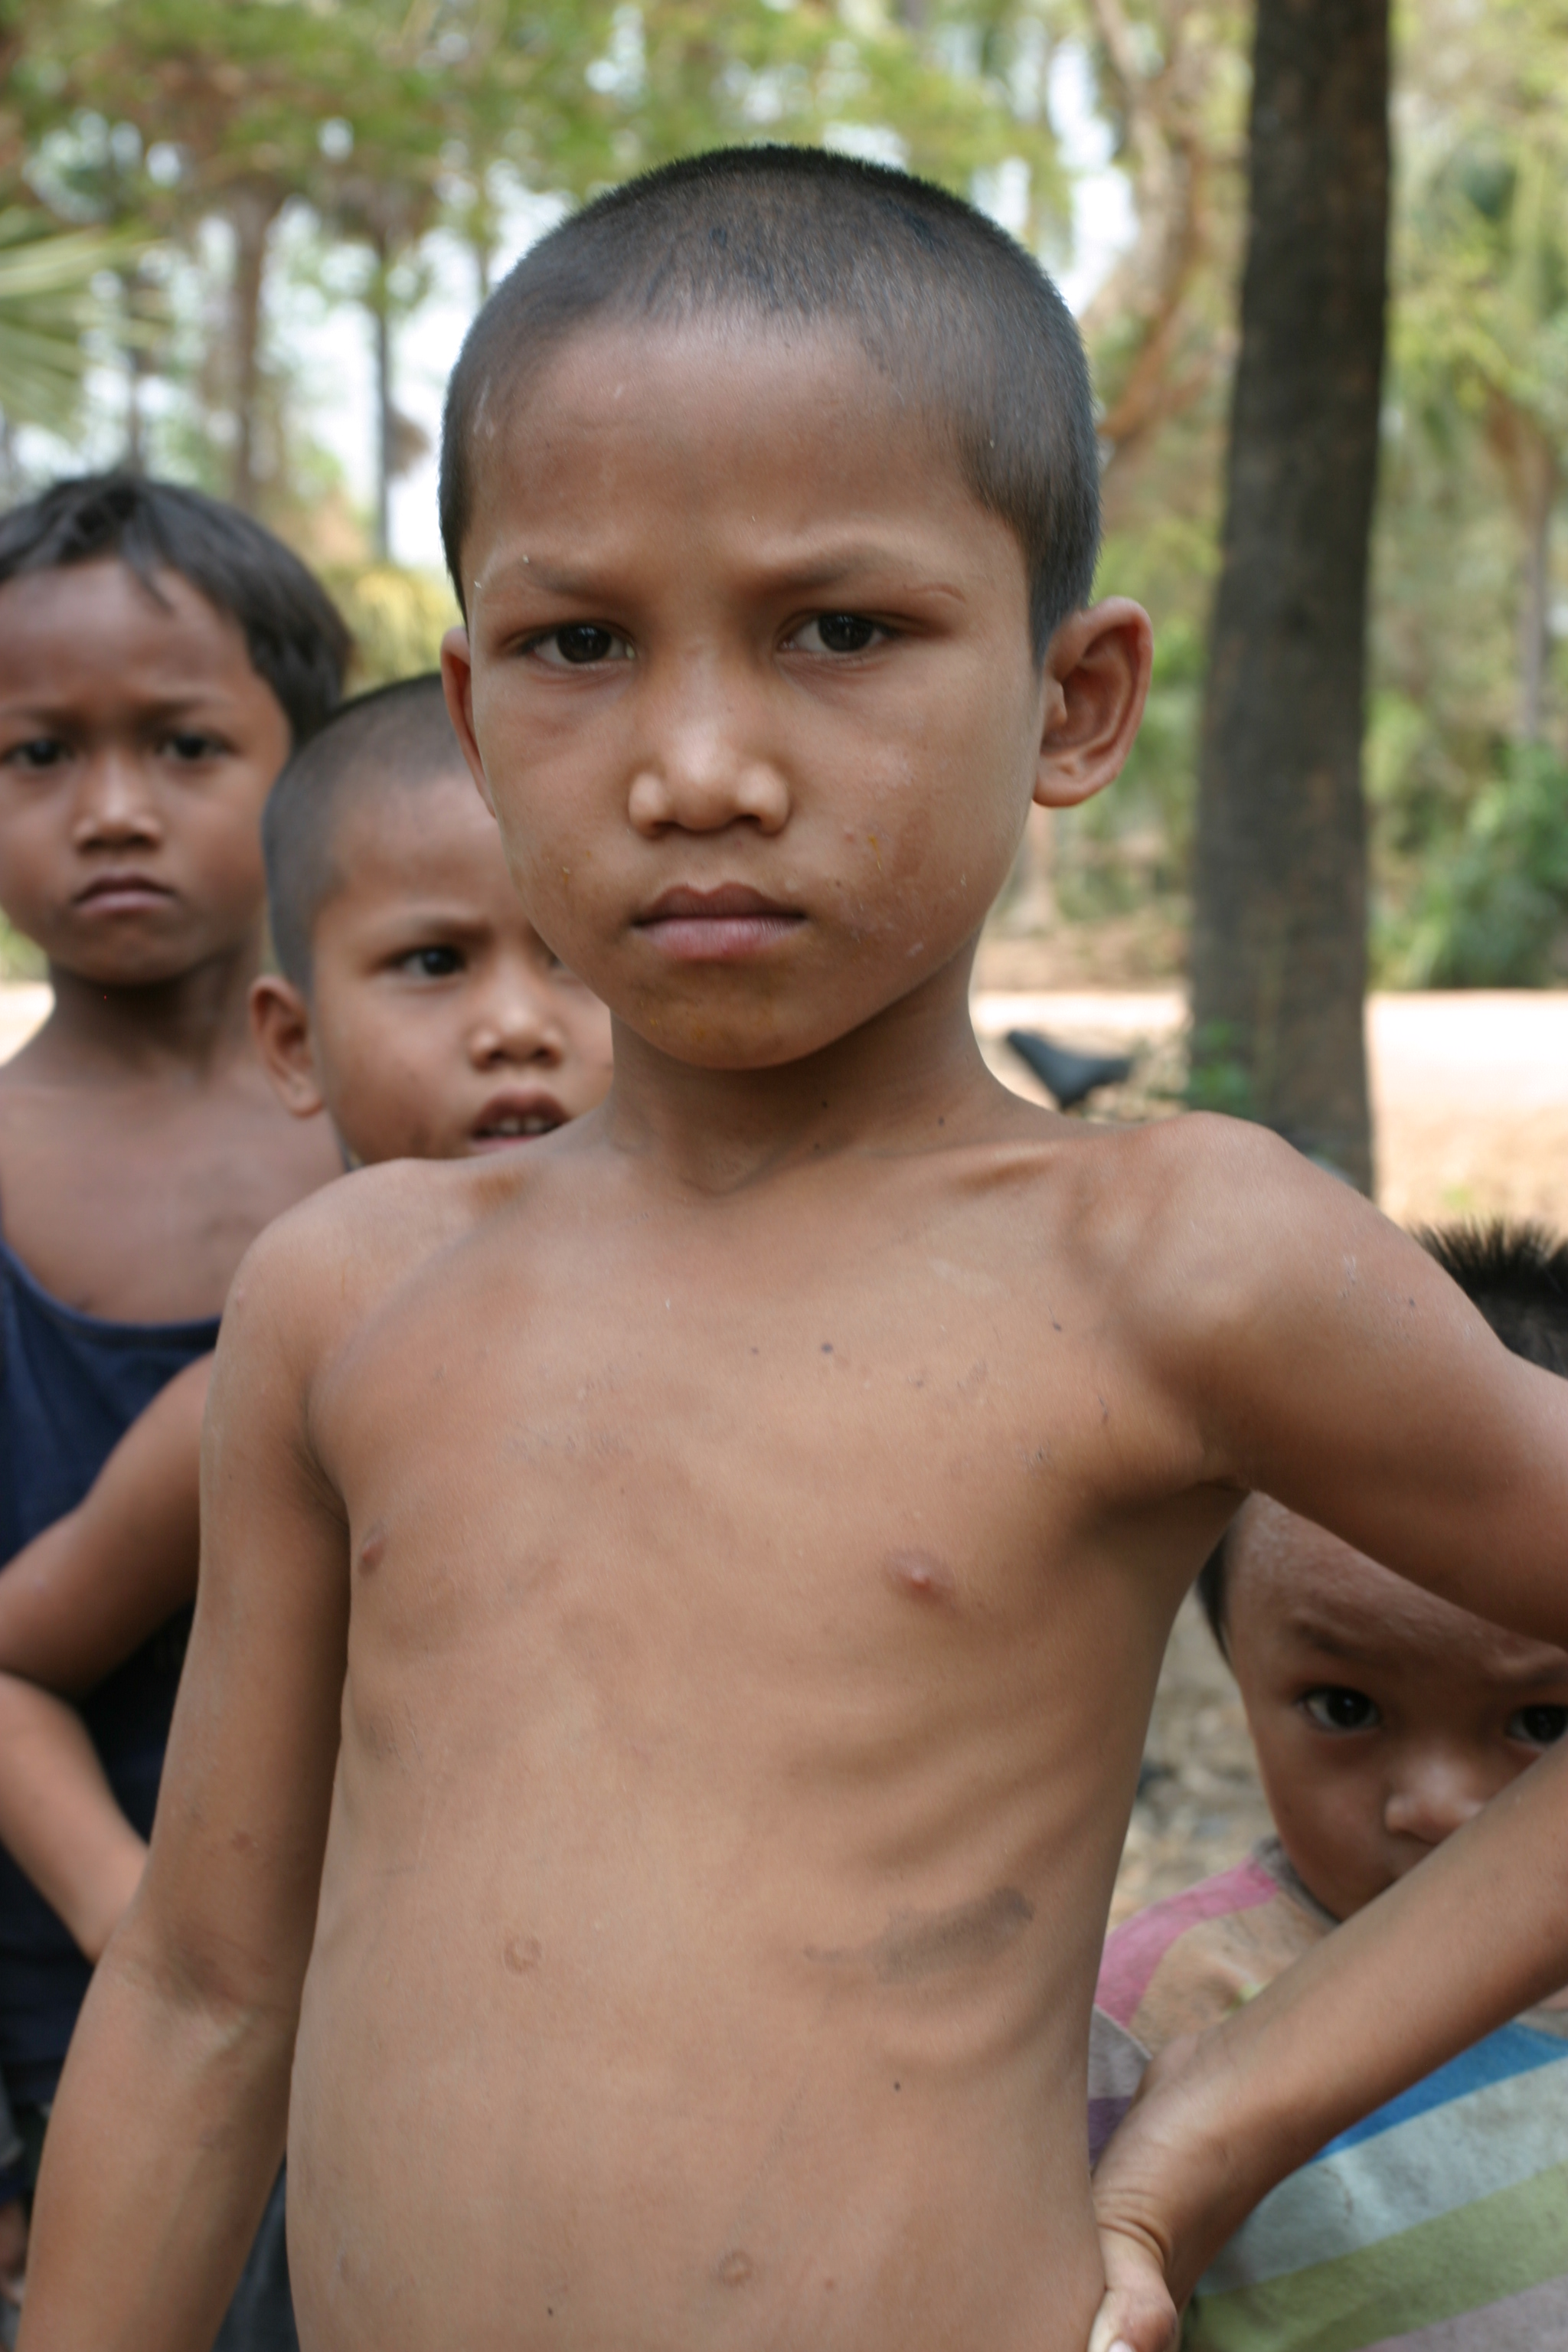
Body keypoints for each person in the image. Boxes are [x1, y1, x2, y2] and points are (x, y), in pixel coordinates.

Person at [18, 150, 1568, 2352]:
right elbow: (200, 1993)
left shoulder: (1166, 1261)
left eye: (840, 629)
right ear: (471, 715)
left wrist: (1214, 2126)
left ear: (1072, 702)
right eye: (578, 645)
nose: (700, 765)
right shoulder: (353, 1299)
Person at [0, 472, 350, 2335]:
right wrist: (130, 1924)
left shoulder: (430, 1150)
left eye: (185, 745)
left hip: (422, 1976)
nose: (109, 809)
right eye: (36, 752)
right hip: (81, 2006)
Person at [1090, 1221, 1568, 2350]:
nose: (1438, 1804)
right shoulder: (1163, 2015)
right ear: (1232, 1658)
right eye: (1347, 1708)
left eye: (1543, 1721)